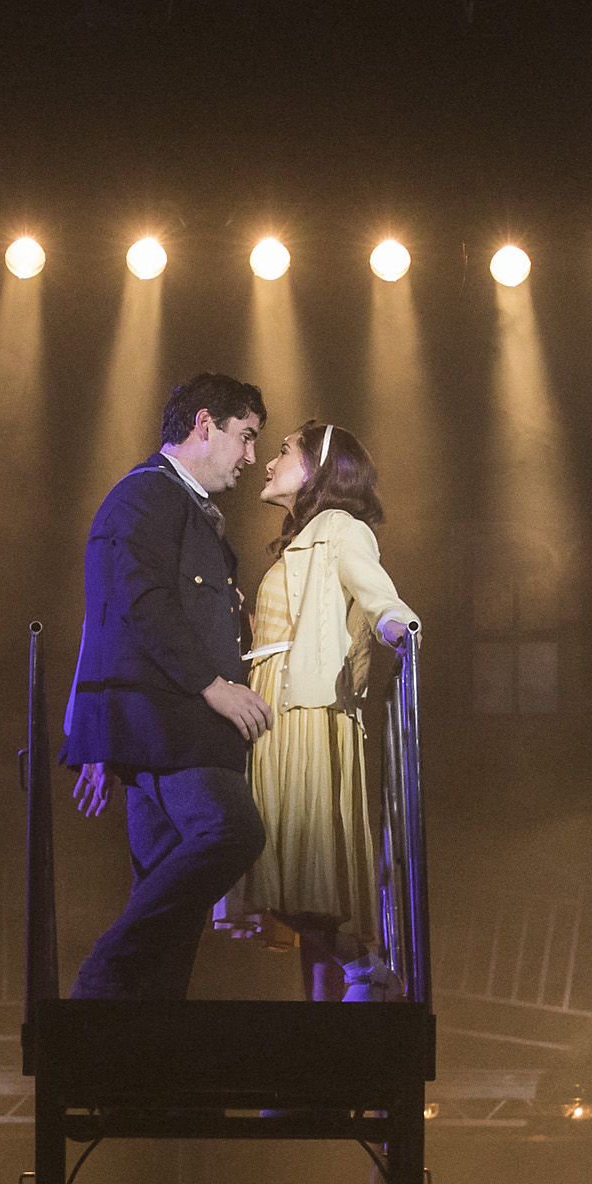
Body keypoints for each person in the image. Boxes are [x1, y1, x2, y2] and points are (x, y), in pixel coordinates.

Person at [61, 372, 273, 1000]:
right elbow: (137, 602)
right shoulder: (150, 494)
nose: (251, 457)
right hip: (172, 725)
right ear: (205, 424)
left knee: (167, 896)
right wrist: (215, 686)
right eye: (246, 436)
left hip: (158, 728)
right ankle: (105, 977)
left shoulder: (169, 502)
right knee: (233, 831)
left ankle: (133, 1029)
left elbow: (123, 611)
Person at [214, 422, 421, 1002]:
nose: (267, 461)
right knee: (275, 869)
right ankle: (360, 978)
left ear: (317, 469)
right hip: (273, 708)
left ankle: (367, 971)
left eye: (283, 451)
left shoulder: (340, 528)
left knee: (285, 866)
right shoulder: (304, 537)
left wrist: (398, 626)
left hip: (304, 712)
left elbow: (377, 592)